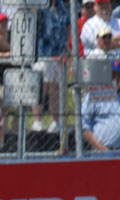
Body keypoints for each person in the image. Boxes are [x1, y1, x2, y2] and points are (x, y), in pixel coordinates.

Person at [82, 59, 120, 151]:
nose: (116, 78)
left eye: (119, 74)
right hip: (101, 152)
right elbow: (84, 127)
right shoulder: (94, 95)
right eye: (113, 74)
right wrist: (102, 149)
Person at [31, 0, 69, 134]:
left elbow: (68, 25)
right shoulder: (41, 5)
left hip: (59, 53)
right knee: (41, 87)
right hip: (43, 53)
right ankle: (37, 121)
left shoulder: (61, 6)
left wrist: (66, 46)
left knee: (56, 89)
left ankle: (55, 122)